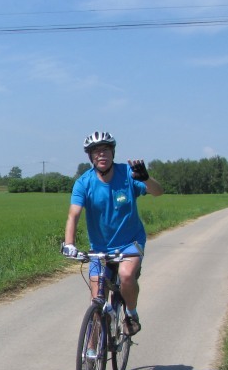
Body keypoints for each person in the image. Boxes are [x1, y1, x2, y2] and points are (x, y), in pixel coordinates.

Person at [62, 131, 163, 335]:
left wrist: (146, 179)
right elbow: (73, 215)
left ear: (113, 153)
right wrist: (69, 244)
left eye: (106, 150)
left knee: (126, 275)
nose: (101, 154)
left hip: (130, 243)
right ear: (90, 156)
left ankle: (131, 314)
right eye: (96, 151)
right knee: (96, 300)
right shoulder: (84, 182)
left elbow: (158, 191)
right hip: (100, 248)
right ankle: (92, 349)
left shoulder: (127, 174)